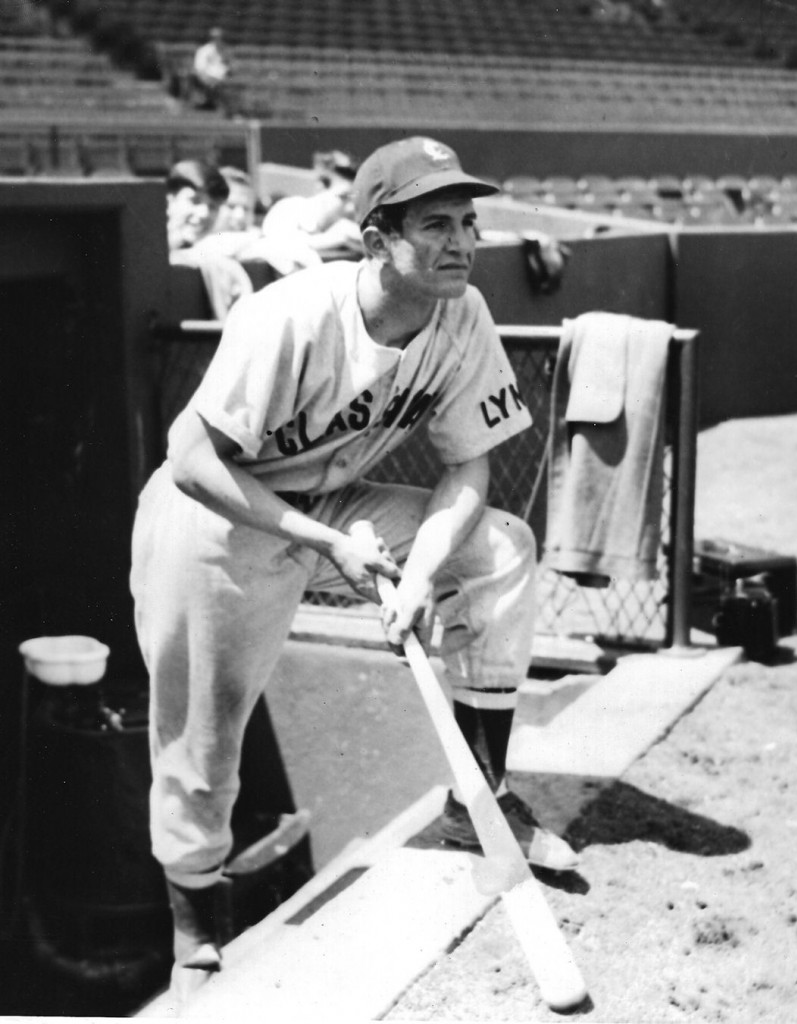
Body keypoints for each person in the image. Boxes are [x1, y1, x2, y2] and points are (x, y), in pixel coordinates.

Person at [131, 135, 579, 995]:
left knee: (499, 551)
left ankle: (477, 806)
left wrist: (418, 576)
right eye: (434, 224)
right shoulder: (291, 315)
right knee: (205, 737)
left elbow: (470, 465)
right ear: (375, 239)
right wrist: (330, 544)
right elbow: (191, 457)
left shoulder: (463, 313)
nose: (460, 242)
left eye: (468, 221)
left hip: (332, 503)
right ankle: (193, 939)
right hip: (215, 518)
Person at [166, 159, 253, 321]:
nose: (204, 213)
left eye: (213, 206)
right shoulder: (145, 242)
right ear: (170, 199)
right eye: (195, 200)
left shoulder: (206, 249)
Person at [259, 149, 363, 275]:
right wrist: (331, 239)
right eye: (344, 197)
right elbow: (275, 246)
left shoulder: (349, 225)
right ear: (321, 188)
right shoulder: (288, 208)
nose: (351, 207)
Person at [189, 26, 235, 117]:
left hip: (223, 79)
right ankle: (222, 110)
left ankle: (229, 111)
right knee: (217, 88)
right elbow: (199, 69)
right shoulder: (204, 51)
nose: (219, 40)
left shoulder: (226, 51)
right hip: (209, 79)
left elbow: (230, 68)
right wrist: (210, 80)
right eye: (216, 37)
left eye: (221, 37)